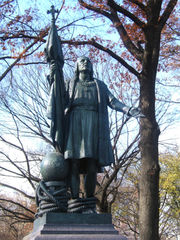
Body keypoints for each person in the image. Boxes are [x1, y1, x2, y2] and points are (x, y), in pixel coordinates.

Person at [63, 56, 141, 201]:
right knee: (73, 163)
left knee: (92, 164)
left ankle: (89, 200)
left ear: (92, 67)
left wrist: (128, 110)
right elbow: (58, 99)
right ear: (77, 67)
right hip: (74, 124)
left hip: (94, 125)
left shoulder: (100, 85)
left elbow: (113, 102)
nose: (85, 62)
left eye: (88, 61)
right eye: (81, 61)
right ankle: (74, 200)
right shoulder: (69, 84)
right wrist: (52, 79)